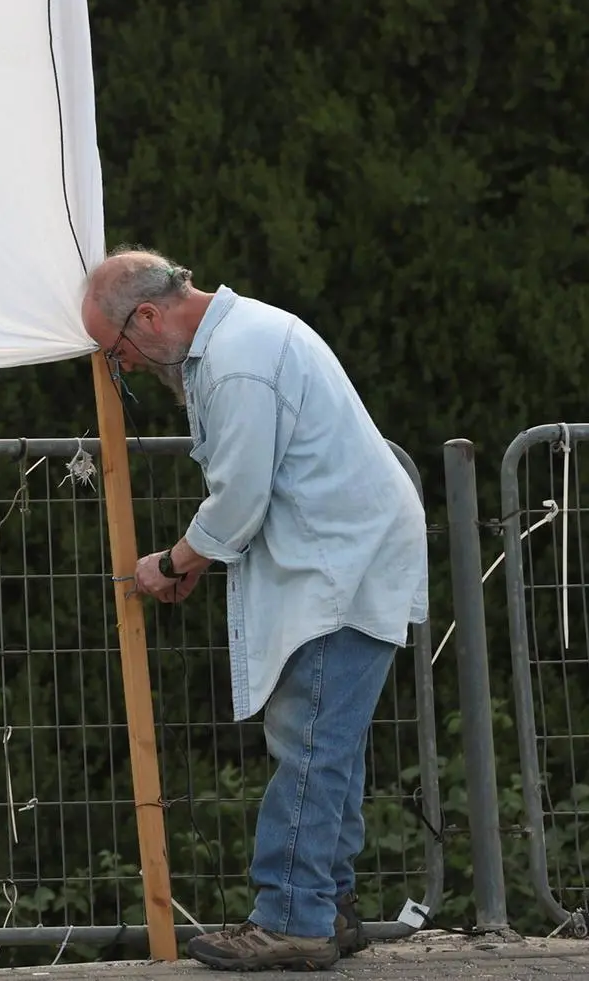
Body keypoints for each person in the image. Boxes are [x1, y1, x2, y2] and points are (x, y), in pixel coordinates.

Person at [81, 249, 427, 973]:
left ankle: (290, 919)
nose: (127, 366)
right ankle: (326, 904)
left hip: (338, 562)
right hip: (344, 554)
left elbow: (240, 497)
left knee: (306, 743)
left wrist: (172, 562)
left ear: (146, 315)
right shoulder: (242, 338)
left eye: (118, 351)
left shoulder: (235, 360)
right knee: (326, 742)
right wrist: (198, 557)